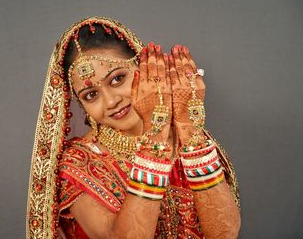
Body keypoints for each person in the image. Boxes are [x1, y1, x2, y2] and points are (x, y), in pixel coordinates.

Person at [26, 16, 241, 239]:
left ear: (144, 67)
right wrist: (154, 137)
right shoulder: (78, 164)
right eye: (91, 95)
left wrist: (189, 127)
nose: (110, 101)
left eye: (118, 79)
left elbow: (225, 234)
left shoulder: (187, 140)